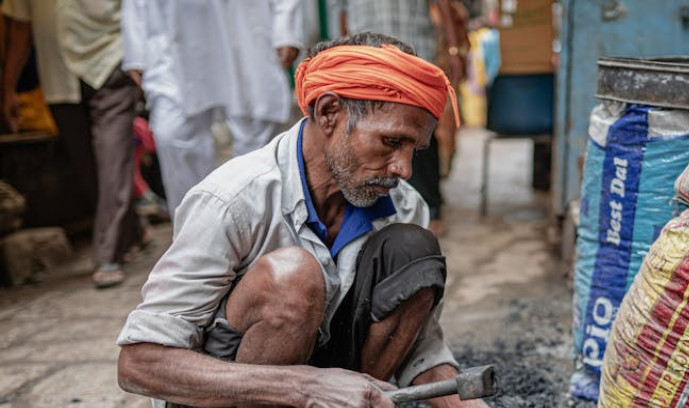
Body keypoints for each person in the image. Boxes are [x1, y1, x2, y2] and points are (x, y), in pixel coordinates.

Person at [116, 32, 581, 408]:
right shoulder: (235, 199)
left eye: (413, 149)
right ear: (329, 113)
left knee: (414, 249)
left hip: (326, 405)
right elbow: (139, 363)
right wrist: (305, 385)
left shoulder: (403, 206)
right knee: (292, 275)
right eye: (391, 142)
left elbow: (421, 348)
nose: (402, 167)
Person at [1, 0, 140, 288]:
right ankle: (137, 229)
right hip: (59, 76)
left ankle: (107, 254)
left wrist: (141, 59)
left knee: (112, 160)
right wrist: (8, 87)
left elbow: (140, 9)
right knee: (86, 167)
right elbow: (19, 28)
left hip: (111, 64)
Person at [121, 0, 304, 218]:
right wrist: (136, 50)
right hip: (170, 37)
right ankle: (196, 228)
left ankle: (266, 225)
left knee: (255, 125)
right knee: (173, 132)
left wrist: (286, 26)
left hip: (244, 27)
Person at [343, 0, 468, 235]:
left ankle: (430, 209)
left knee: (418, 132)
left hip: (415, 51)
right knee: (370, 131)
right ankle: (376, 208)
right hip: (366, 56)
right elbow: (340, 10)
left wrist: (453, 49)